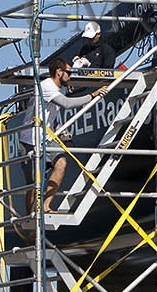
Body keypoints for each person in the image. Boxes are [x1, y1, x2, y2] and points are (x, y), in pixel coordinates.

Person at [17, 59, 108, 213]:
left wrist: (59, 127)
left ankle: (46, 205)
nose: (70, 76)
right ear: (59, 72)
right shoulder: (46, 86)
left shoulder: (61, 88)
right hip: (30, 140)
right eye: (69, 73)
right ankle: (32, 218)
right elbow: (65, 104)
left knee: (61, 164)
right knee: (34, 184)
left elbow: (52, 112)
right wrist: (92, 95)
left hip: (47, 137)